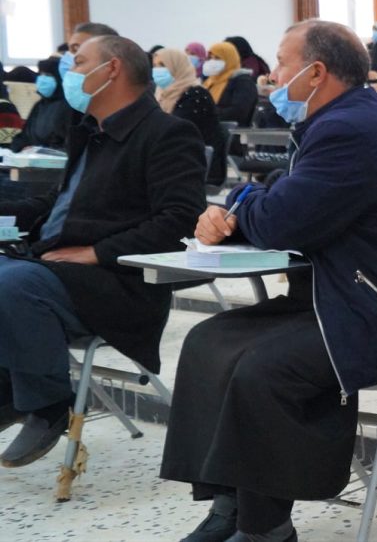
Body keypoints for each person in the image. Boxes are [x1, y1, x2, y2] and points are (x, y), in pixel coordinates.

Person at [160, 20, 377, 542]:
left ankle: (266, 528)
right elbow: (280, 194)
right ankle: (229, 503)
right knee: (209, 342)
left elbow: (283, 219)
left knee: (263, 369)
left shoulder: (351, 130)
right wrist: (240, 208)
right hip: (349, 290)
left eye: (282, 64)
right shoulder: (333, 122)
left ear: (316, 73)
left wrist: (239, 209)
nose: (272, 75)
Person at [0, 35, 204, 468]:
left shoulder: (167, 133)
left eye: (79, 62)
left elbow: (180, 221)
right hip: (58, 269)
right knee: (12, 275)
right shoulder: (91, 132)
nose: (69, 72)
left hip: (118, 281)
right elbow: (59, 205)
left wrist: (98, 252)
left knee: (12, 283)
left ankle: (48, 403)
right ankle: (10, 391)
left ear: (111, 69)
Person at [153, 47, 227, 186]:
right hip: (171, 159)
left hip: (196, 164)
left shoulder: (196, 94)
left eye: (162, 65)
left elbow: (174, 130)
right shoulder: (161, 94)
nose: (157, 70)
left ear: (177, 66)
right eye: (155, 65)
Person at [8, 57, 77, 152]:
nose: (42, 78)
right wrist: (21, 148)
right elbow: (24, 136)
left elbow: (68, 143)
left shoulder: (69, 106)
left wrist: (41, 151)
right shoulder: (40, 105)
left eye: (48, 75)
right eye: (40, 74)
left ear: (59, 78)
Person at [203, 42, 259, 125]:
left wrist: (207, 113)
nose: (212, 61)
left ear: (229, 59)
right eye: (210, 58)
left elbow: (238, 112)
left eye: (217, 58)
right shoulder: (209, 82)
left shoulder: (243, 82)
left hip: (233, 131)